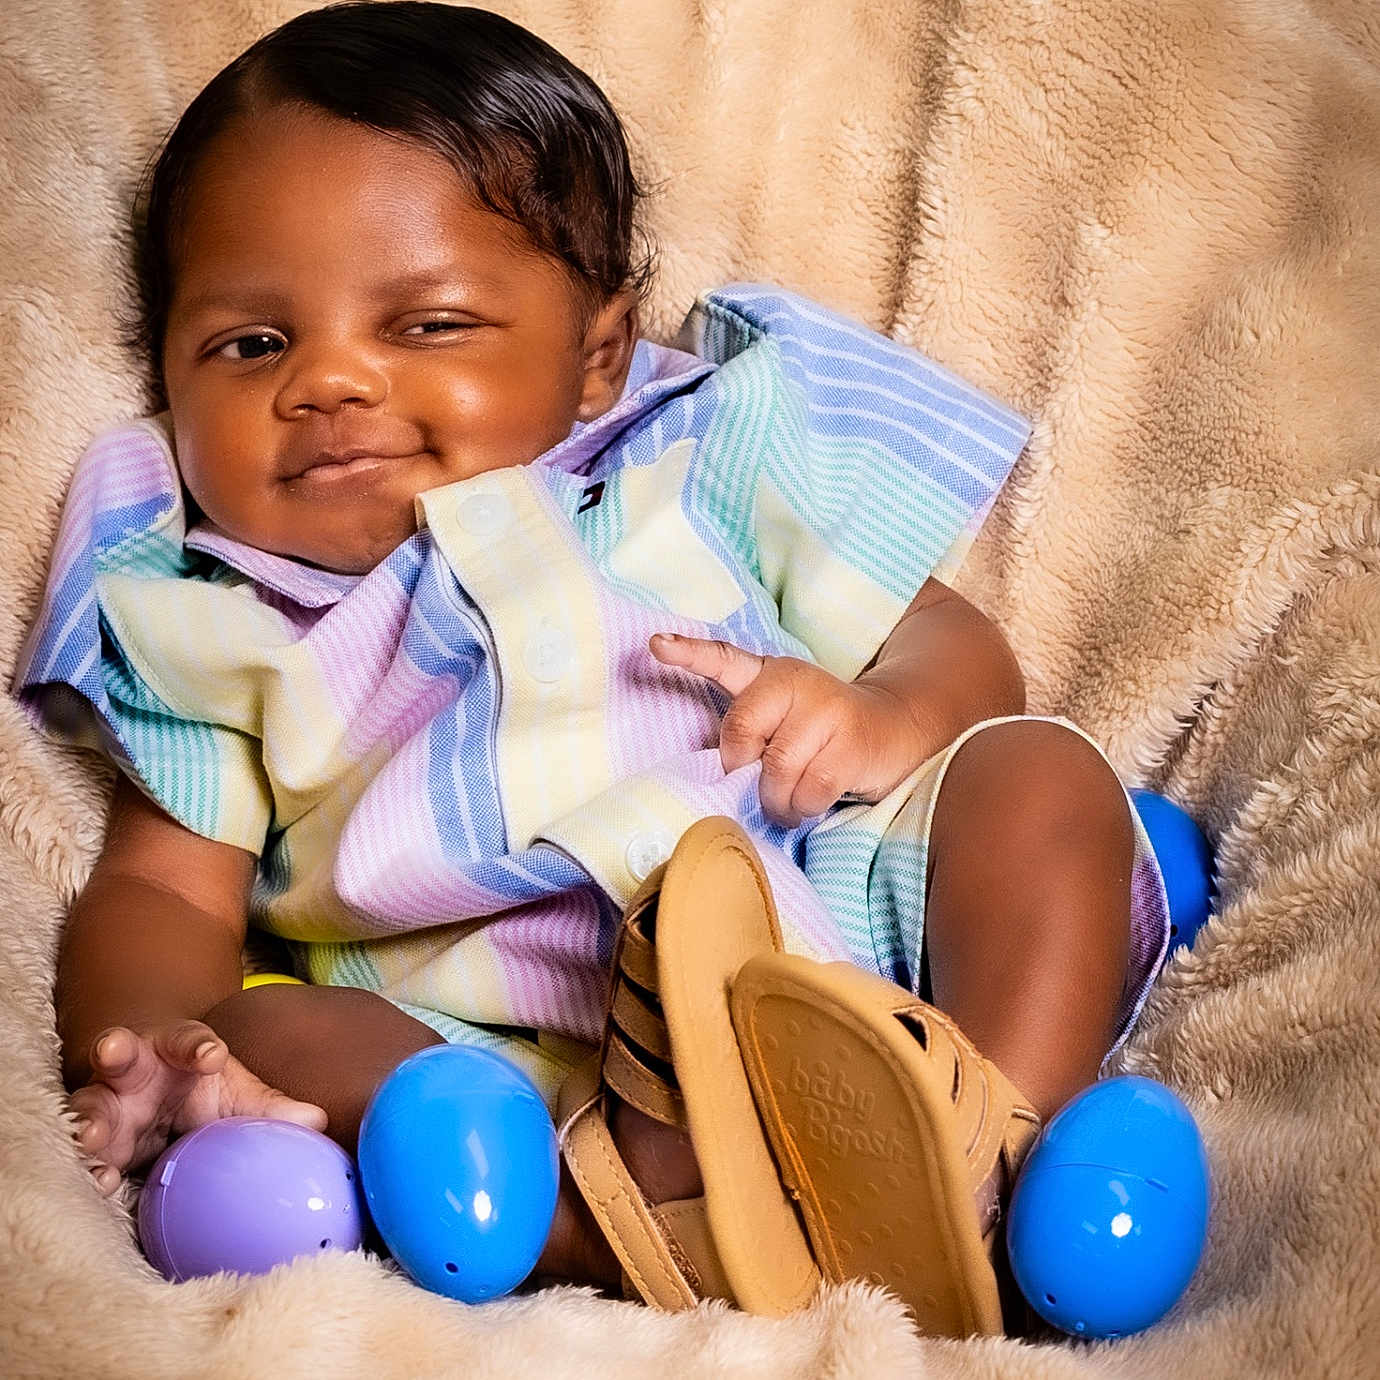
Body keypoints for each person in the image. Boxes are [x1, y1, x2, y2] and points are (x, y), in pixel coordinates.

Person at [14, 1, 1168, 1325]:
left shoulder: (699, 455)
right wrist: (160, 1044)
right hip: (501, 1054)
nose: (327, 380)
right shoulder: (214, 611)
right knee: (274, 1029)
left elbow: (949, 641)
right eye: (253, 344)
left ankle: (995, 1145)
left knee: (1037, 777)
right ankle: (618, 1229)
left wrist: (879, 713)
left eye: (427, 324)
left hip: (841, 940)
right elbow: (163, 885)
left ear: (597, 358)